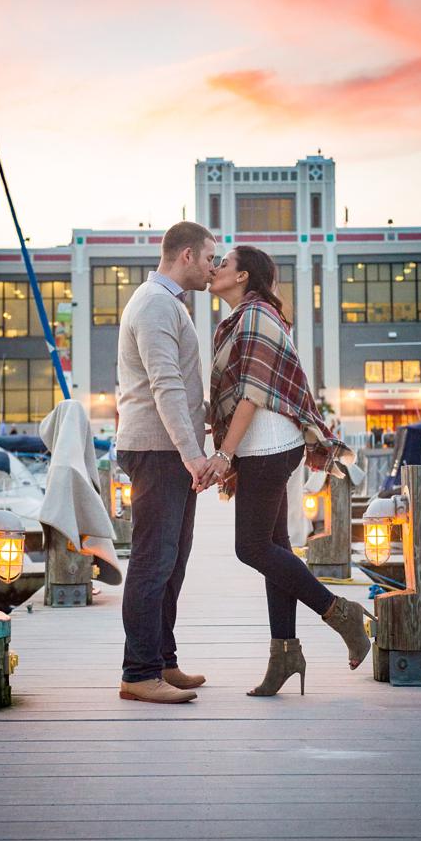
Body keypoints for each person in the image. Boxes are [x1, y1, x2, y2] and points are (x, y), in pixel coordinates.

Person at [205, 245, 372, 697]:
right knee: (275, 550)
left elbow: (253, 394)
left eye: (224, 262)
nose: (215, 267)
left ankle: (341, 612)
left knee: (252, 547)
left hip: (267, 445)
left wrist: (223, 454)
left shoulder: (257, 315)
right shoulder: (244, 317)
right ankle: (285, 655)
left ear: (243, 277)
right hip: (267, 446)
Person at [112, 221, 222, 704]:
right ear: (185, 257)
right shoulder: (156, 304)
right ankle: (138, 673)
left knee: (172, 562)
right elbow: (166, 385)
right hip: (157, 450)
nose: (213, 267)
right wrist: (194, 455)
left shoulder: (166, 303)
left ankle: (163, 661)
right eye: (209, 258)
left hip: (166, 450)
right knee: (153, 563)